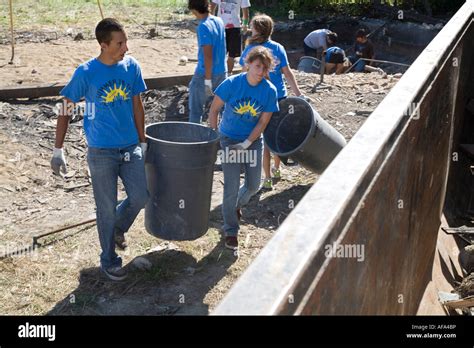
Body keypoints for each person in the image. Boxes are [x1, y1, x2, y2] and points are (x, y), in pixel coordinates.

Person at [50, 18, 149, 281]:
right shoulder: (86, 72)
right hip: (101, 152)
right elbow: (66, 108)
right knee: (105, 207)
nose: (126, 47)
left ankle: (116, 228)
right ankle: (109, 260)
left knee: (140, 196)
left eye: (126, 41)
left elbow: (138, 105)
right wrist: (58, 149)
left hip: (130, 147)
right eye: (120, 43)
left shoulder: (132, 67)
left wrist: (143, 140)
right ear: (103, 45)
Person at [208, 46, 279, 250]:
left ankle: (236, 205)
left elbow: (262, 123)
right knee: (230, 187)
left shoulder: (269, 91)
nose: (260, 72)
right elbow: (214, 110)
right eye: (257, 66)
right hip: (229, 140)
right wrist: (214, 138)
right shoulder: (231, 84)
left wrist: (246, 144)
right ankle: (231, 230)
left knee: (253, 185)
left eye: (264, 69)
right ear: (248, 64)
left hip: (253, 141)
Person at [240, 14, 304, 190]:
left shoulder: (251, 49)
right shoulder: (278, 47)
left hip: (260, 99)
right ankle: (276, 169)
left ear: (257, 30)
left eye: (252, 27)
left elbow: (243, 72)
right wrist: (298, 94)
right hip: (279, 97)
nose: (250, 29)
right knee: (276, 135)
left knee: (264, 138)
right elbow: (288, 72)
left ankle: (267, 177)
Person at [188, 0, 227, 124]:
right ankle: (222, 136)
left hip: (205, 73)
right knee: (223, 109)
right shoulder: (219, 21)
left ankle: (194, 138)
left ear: (194, 10)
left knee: (195, 110)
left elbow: (208, 55)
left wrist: (207, 80)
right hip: (222, 71)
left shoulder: (203, 26)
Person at [210, 0, 251, 73]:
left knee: (220, 53)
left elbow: (212, 7)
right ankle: (228, 74)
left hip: (222, 25)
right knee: (231, 55)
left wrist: (212, 21)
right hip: (233, 26)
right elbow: (245, 11)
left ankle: (219, 74)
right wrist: (245, 24)